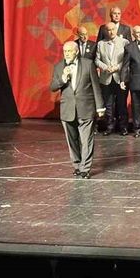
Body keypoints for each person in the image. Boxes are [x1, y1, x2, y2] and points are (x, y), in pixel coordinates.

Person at [50, 41, 103, 179]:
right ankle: (77, 165)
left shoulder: (88, 64)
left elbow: (96, 86)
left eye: (69, 51)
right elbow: (53, 87)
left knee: (86, 140)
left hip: (86, 108)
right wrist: (63, 78)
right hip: (67, 109)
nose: (67, 54)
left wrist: (100, 106)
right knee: (72, 140)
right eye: (65, 51)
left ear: (77, 51)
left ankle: (85, 168)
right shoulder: (59, 67)